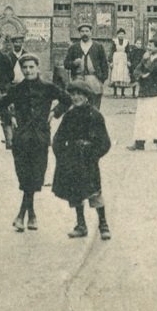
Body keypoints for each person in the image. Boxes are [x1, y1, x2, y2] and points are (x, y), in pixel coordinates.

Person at [0, 53, 70, 232]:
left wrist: (55, 113)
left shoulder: (47, 87)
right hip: (21, 139)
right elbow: (0, 105)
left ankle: (24, 214)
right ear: (21, 69)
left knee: (36, 175)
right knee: (24, 176)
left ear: (37, 68)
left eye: (31, 67)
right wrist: (10, 117)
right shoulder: (17, 89)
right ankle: (30, 214)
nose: (28, 70)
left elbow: (66, 100)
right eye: (25, 67)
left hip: (40, 138)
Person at [52, 79, 111, 240]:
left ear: (87, 96)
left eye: (80, 94)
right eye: (73, 94)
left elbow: (105, 143)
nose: (76, 97)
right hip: (72, 160)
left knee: (95, 193)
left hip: (88, 161)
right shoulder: (69, 115)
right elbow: (57, 139)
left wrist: (93, 155)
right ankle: (81, 224)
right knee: (75, 193)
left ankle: (103, 224)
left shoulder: (95, 116)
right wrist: (62, 156)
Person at [127, 38, 157, 151]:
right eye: (148, 45)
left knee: (156, 117)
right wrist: (142, 75)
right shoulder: (146, 58)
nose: (148, 47)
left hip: (155, 92)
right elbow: (136, 72)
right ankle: (139, 142)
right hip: (144, 91)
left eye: (151, 45)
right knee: (141, 117)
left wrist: (145, 63)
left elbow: (152, 70)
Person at [63, 23, 108, 109]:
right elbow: (66, 64)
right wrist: (73, 63)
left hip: (94, 78)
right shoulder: (74, 47)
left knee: (94, 104)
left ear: (91, 33)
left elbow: (104, 64)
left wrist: (102, 78)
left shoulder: (98, 47)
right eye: (82, 31)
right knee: (78, 103)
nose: (85, 33)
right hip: (78, 78)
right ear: (79, 33)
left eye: (87, 31)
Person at [108, 29, 131, 97]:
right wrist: (111, 61)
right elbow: (111, 51)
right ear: (117, 35)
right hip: (116, 59)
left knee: (123, 75)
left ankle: (122, 93)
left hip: (123, 59)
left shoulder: (126, 42)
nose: (121, 35)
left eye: (122, 34)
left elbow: (128, 52)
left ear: (124, 35)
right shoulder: (114, 41)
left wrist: (128, 60)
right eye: (120, 34)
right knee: (116, 74)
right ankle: (115, 93)